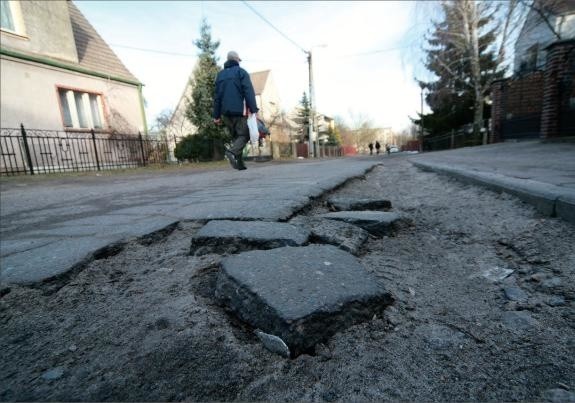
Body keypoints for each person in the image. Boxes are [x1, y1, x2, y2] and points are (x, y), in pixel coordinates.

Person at [213, 50, 259, 171]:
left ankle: (239, 164)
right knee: (245, 134)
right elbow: (248, 91)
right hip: (240, 111)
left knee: (236, 137)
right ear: (236, 59)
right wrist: (254, 109)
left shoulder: (220, 75)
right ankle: (232, 153)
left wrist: (216, 116)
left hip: (226, 113)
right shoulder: (241, 72)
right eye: (239, 59)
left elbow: (217, 97)